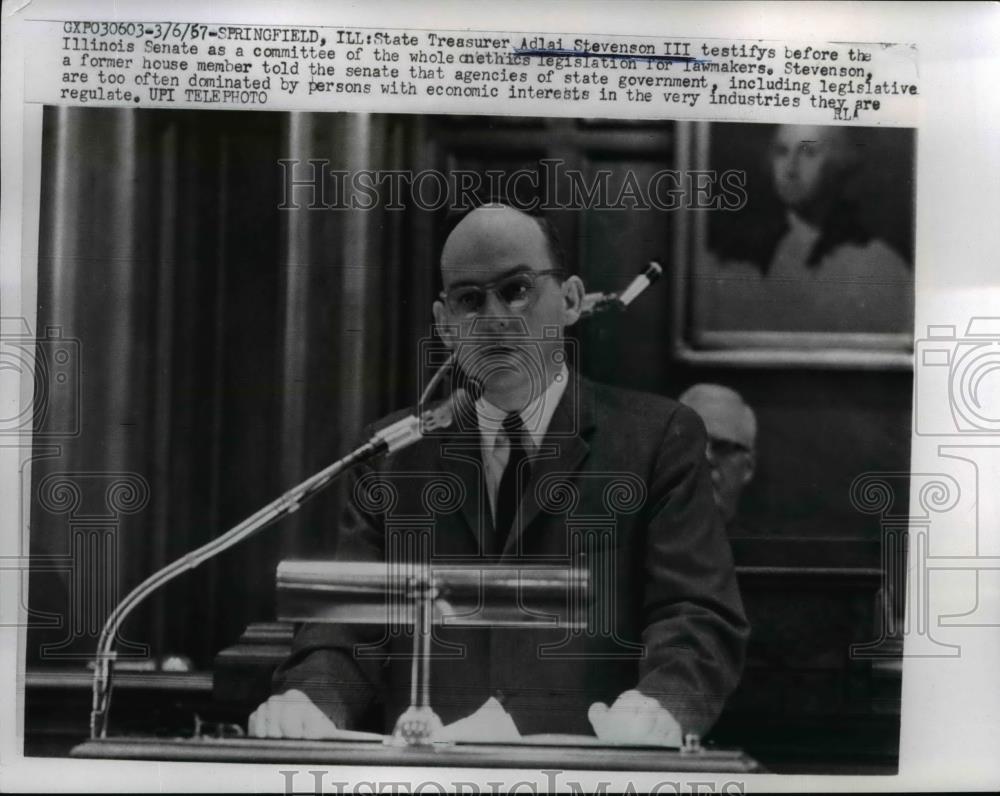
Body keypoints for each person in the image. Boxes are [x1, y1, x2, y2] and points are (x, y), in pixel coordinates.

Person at [250, 204, 748, 743]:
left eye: (516, 290)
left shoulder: (657, 439)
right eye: (469, 300)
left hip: (589, 767)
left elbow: (696, 614)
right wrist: (311, 699)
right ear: (445, 325)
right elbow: (348, 621)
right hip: (431, 771)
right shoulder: (394, 454)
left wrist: (663, 704)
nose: (494, 318)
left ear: (571, 300)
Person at [700, 124, 914, 335]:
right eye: (781, 152)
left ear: (839, 163)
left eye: (808, 153)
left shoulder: (876, 262)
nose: (790, 169)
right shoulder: (735, 255)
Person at [678, 384, 757, 535]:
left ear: (748, 467)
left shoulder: (771, 549)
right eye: (691, 443)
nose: (706, 456)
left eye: (722, 446)